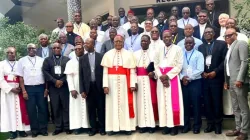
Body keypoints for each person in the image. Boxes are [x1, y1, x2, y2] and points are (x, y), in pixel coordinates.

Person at [101, 35, 137, 136]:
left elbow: (132, 71)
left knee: (125, 104)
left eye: (120, 42)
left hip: (125, 83)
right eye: (116, 41)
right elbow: (105, 71)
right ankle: (112, 128)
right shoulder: (107, 54)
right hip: (111, 84)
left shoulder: (129, 55)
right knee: (112, 105)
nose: (118, 43)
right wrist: (105, 85)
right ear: (113, 42)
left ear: (123, 42)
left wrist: (132, 84)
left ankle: (127, 127)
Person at [154, 30, 184, 136]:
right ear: (162, 38)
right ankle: (166, 125)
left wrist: (167, 76)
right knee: (162, 103)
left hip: (172, 78)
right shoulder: (158, 49)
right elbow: (156, 64)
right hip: (161, 79)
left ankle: (174, 126)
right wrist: (161, 76)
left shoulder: (178, 49)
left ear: (172, 37)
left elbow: (179, 65)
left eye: (168, 36)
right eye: (164, 37)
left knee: (173, 103)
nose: (167, 38)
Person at [198, 27, 227, 134]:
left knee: (217, 102)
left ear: (214, 33)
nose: (208, 34)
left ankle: (218, 125)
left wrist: (216, 71)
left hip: (216, 78)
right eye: (206, 32)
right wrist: (202, 72)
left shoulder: (221, 44)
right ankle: (210, 124)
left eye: (210, 32)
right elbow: (199, 61)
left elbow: (225, 61)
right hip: (205, 79)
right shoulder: (201, 47)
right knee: (207, 103)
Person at [16, 43, 48, 138]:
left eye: (33, 48)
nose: (31, 50)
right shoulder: (21, 61)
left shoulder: (42, 60)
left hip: (41, 87)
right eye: (29, 48)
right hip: (28, 88)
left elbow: (46, 76)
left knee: (43, 108)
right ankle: (34, 130)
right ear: (27, 50)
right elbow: (21, 77)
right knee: (31, 110)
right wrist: (24, 91)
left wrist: (46, 88)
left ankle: (43, 129)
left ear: (36, 49)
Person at [224, 28, 249, 140]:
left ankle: (244, 131)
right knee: (235, 107)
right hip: (231, 81)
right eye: (226, 36)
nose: (228, 37)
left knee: (243, 108)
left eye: (230, 35)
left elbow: (245, 61)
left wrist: (240, 79)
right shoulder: (229, 48)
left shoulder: (241, 43)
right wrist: (226, 81)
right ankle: (238, 128)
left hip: (239, 81)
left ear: (236, 34)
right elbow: (228, 66)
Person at [0, 47, 30, 139]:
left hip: (19, 91)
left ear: (15, 54)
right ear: (6, 54)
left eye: (12, 53)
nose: (10, 54)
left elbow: (23, 76)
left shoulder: (19, 63)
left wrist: (21, 88)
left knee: (21, 110)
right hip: (8, 92)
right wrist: (11, 89)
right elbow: (0, 79)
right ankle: (12, 131)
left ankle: (21, 130)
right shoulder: (1, 64)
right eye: (8, 52)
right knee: (9, 111)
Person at [42, 43, 71, 135]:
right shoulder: (47, 60)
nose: (57, 49)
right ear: (52, 49)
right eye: (54, 48)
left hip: (64, 86)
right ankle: (58, 127)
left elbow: (69, 72)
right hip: (53, 87)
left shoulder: (67, 59)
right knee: (56, 107)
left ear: (61, 48)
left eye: (58, 47)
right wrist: (55, 81)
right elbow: (45, 72)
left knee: (66, 107)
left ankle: (67, 126)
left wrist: (61, 81)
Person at [79, 38, 106, 136]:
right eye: (85, 43)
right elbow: (80, 75)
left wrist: (105, 86)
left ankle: (102, 128)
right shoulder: (82, 58)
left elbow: (104, 73)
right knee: (91, 109)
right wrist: (82, 90)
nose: (85, 45)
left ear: (93, 44)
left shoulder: (101, 56)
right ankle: (93, 128)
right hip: (88, 87)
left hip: (99, 87)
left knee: (101, 108)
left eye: (87, 43)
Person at [134, 35, 158, 133]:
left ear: (149, 42)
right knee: (140, 103)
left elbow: (158, 67)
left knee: (150, 102)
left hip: (150, 81)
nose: (143, 42)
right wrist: (134, 82)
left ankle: (152, 125)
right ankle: (142, 125)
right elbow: (133, 70)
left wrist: (154, 73)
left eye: (145, 41)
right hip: (139, 81)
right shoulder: (135, 54)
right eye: (142, 41)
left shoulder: (155, 53)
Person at [180, 37, 204, 134]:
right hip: (183, 82)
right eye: (187, 43)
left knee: (196, 104)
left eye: (190, 43)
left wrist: (188, 78)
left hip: (195, 83)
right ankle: (186, 125)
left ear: (194, 44)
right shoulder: (181, 54)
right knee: (185, 105)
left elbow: (200, 69)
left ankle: (196, 126)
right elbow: (178, 68)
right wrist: (182, 78)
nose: (188, 44)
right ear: (184, 44)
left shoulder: (199, 54)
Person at [64, 45, 89, 135]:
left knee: (87, 106)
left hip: (86, 86)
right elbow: (69, 77)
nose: (78, 50)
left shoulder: (87, 60)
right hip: (75, 86)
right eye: (76, 49)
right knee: (76, 107)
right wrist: (72, 89)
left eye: (80, 49)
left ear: (83, 50)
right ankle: (77, 127)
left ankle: (87, 126)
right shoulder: (70, 62)